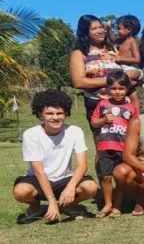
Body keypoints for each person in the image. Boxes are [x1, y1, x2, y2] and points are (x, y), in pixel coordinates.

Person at [13, 90, 98, 224]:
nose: (55, 117)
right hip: (38, 179)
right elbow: (38, 171)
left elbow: (83, 165)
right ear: (41, 115)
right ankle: (35, 208)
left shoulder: (75, 131)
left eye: (60, 113)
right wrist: (51, 200)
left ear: (66, 114)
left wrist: (70, 187)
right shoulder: (31, 135)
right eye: (49, 113)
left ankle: (68, 206)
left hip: (64, 179)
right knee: (21, 192)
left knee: (90, 187)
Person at [89, 71, 137, 218]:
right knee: (106, 177)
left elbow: (135, 127)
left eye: (121, 89)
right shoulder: (102, 105)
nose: (117, 92)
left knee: (119, 177)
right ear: (109, 88)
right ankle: (108, 204)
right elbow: (93, 122)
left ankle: (117, 205)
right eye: (114, 88)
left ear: (127, 89)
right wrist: (103, 121)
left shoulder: (131, 108)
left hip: (123, 148)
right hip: (106, 147)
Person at [69, 15, 124, 141]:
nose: (100, 31)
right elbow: (79, 82)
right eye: (94, 29)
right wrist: (110, 82)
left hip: (122, 104)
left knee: (125, 147)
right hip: (98, 105)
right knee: (104, 147)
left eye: (100, 27)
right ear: (85, 32)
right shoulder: (80, 54)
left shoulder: (113, 49)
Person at [106, 15, 143, 108]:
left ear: (128, 29)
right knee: (120, 81)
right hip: (123, 68)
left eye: (119, 29)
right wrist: (109, 30)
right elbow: (113, 39)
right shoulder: (121, 40)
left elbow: (137, 59)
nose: (117, 31)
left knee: (123, 79)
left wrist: (120, 59)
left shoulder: (132, 41)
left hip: (133, 68)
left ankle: (137, 83)